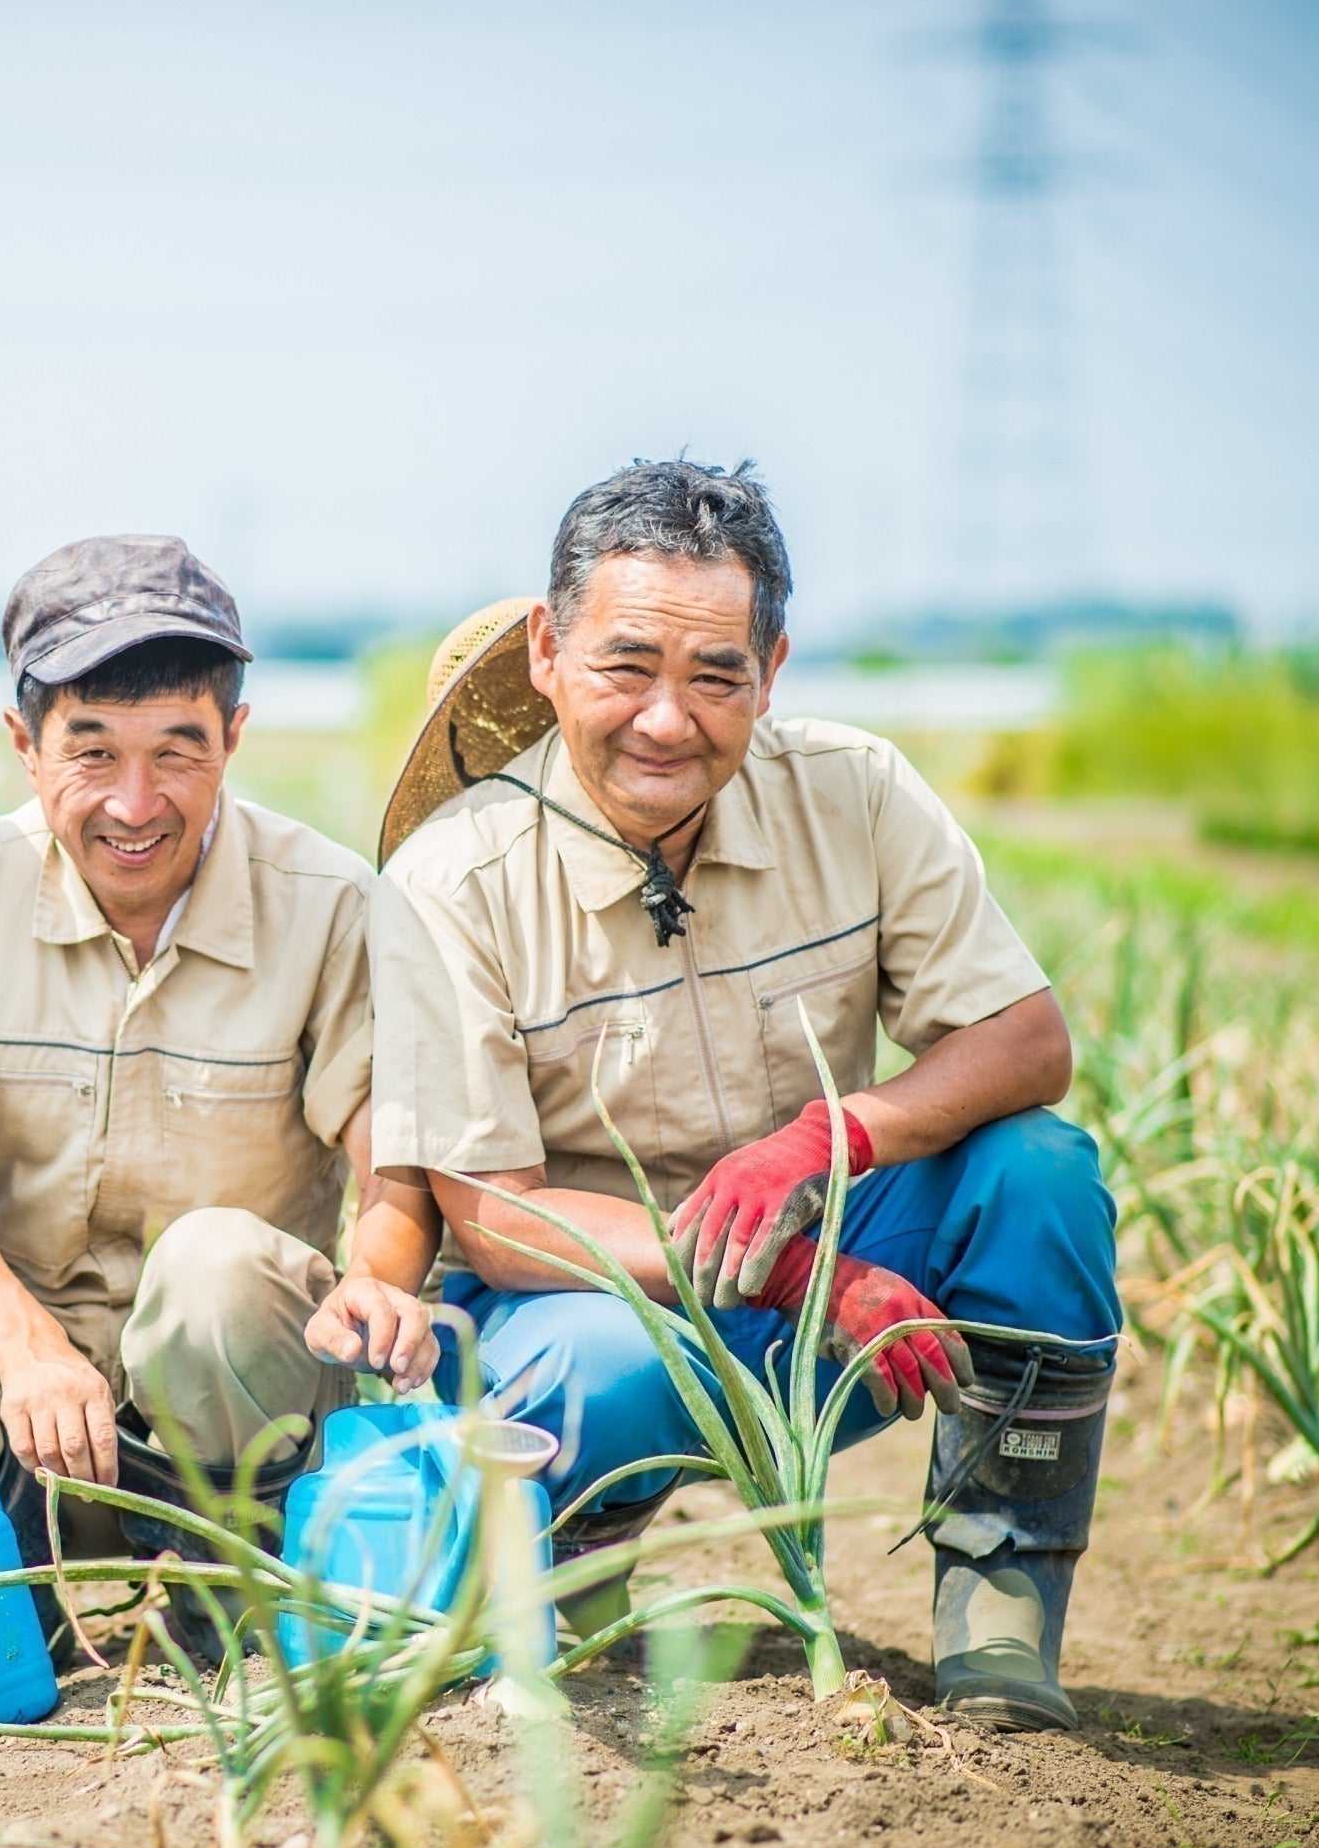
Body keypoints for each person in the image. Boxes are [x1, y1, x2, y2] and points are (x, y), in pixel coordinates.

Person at [370, 461, 1120, 1731]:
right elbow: (493, 1217)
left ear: (771, 671)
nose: (669, 718)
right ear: (547, 652)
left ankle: (1002, 1599)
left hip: (851, 1253)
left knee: (1040, 1173)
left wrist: (828, 1137)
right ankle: (571, 1548)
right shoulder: (454, 881)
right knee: (590, 1369)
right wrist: (796, 1273)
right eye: (626, 665)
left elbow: (1024, 1038)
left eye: (716, 675)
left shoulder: (858, 789)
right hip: (594, 1312)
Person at [0, 533, 439, 1573]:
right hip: (30, 1418)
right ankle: (6, 1579)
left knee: (212, 1262)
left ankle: (228, 1574)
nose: (135, 803)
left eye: (178, 749)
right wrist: (26, 1348)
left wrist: (376, 1280)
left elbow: (396, 1181)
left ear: (234, 737)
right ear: (27, 744)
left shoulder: (330, 904)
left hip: (241, 1401)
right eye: (93, 750)